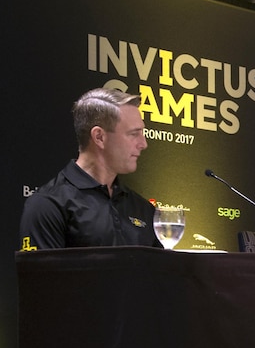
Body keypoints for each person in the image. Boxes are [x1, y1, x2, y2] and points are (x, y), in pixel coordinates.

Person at [19, 88, 160, 251]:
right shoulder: (48, 205)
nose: (143, 144)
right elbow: (43, 276)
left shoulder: (143, 208)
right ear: (99, 137)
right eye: (134, 134)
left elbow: (160, 274)